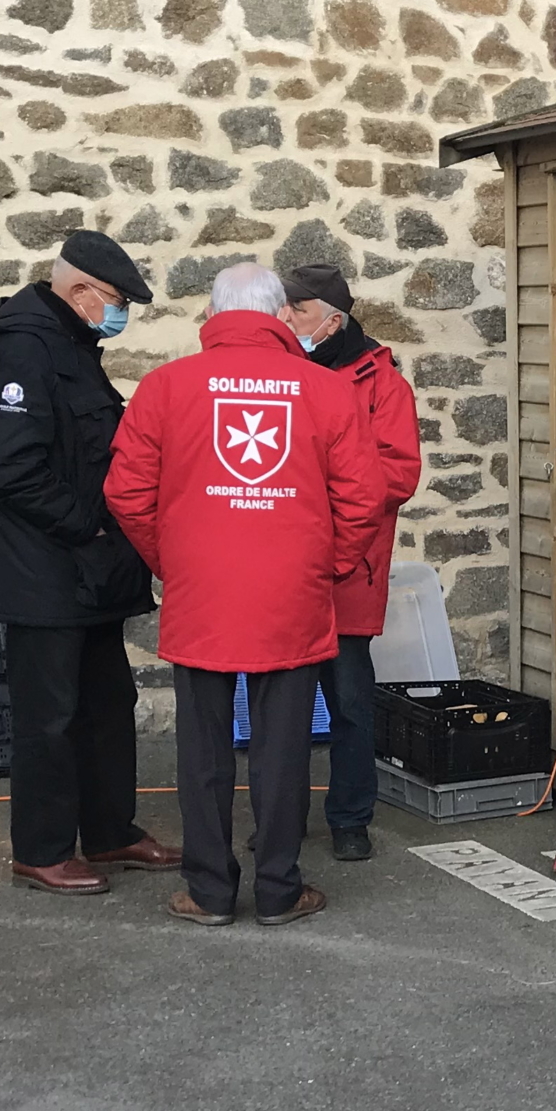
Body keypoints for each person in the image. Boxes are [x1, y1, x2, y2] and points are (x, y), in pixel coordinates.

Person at [104, 262, 384, 929]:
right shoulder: (327, 389)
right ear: (281, 315)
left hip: (202, 591)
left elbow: (126, 492)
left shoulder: (165, 386)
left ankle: (209, 890)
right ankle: (280, 888)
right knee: (283, 749)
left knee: (202, 748)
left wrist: (172, 561)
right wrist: (327, 566)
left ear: (213, 313)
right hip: (292, 593)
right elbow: (364, 498)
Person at [0, 232, 177, 896]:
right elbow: (7, 466)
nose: (121, 314)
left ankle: (109, 829)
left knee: (106, 704)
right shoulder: (24, 347)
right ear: (80, 290)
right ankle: (43, 849)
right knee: (49, 717)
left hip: (87, 573)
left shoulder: (72, 345)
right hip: (43, 572)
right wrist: (89, 523)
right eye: (117, 301)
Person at [280, 264, 422, 863]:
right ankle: (281, 821)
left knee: (350, 705)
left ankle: (350, 819)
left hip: (348, 571)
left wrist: (319, 496)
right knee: (281, 712)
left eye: (299, 309)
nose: (287, 318)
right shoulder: (281, 371)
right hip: (288, 569)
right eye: (285, 307)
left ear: (332, 320)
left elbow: (399, 474)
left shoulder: (384, 385)